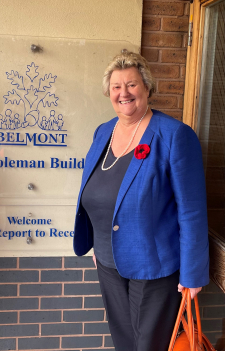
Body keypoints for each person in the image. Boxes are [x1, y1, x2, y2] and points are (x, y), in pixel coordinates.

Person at [73, 50, 209, 351]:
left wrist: (193, 273)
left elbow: (192, 211)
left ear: (147, 88)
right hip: (108, 261)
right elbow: (99, 193)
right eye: (117, 86)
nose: (124, 93)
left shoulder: (174, 135)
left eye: (132, 84)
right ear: (109, 92)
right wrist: (98, 240)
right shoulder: (103, 132)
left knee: (149, 345)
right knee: (124, 341)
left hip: (155, 266)